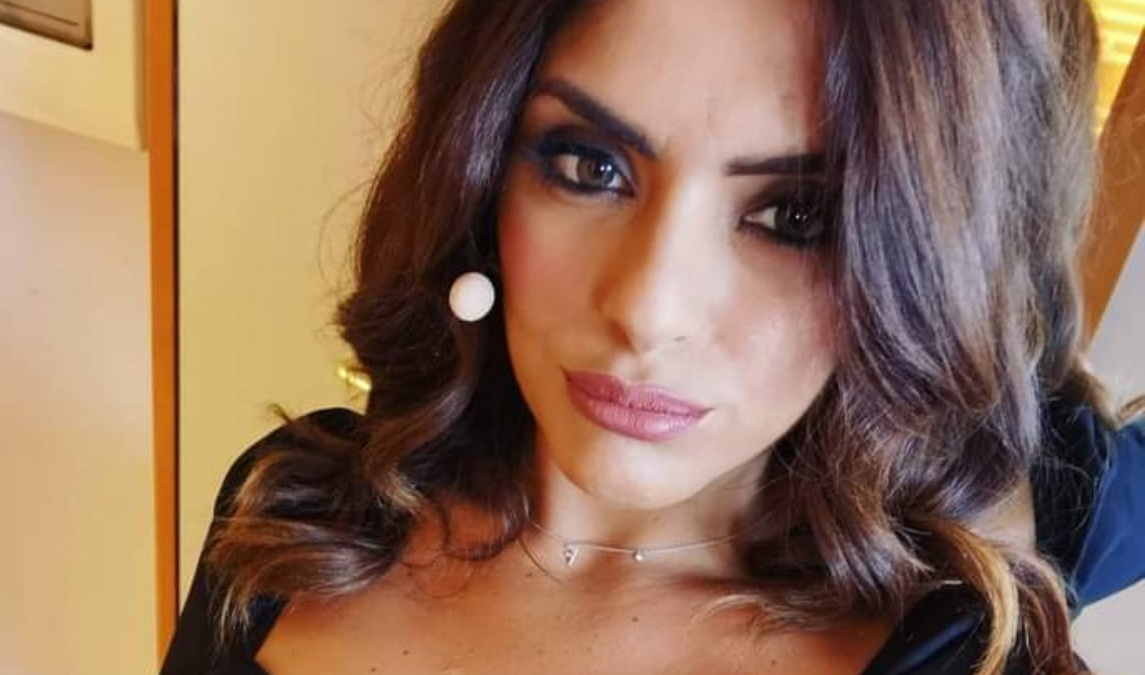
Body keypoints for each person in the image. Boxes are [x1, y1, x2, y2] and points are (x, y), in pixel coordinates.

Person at [159, 0, 1145, 673]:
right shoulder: (295, 508)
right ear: (483, 173)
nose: (648, 310)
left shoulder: (960, 652)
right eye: (588, 166)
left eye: (795, 216)